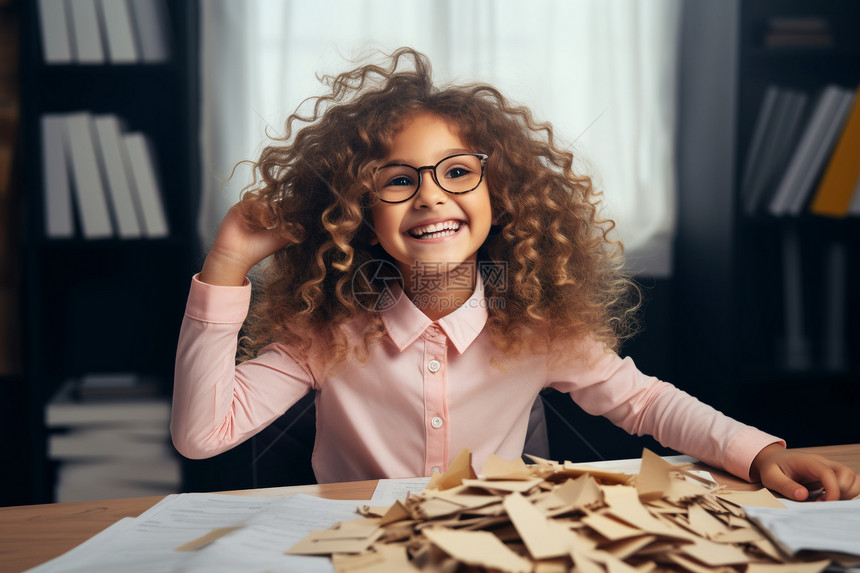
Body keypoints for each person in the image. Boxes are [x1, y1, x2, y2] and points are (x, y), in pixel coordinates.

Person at [171, 47, 860, 501]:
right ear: (357, 211)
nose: (432, 195)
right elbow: (201, 436)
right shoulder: (324, 335)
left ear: (499, 194)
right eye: (399, 179)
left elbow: (646, 403)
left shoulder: (536, 327)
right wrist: (228, 260)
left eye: (458, 172)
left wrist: (761, 452)